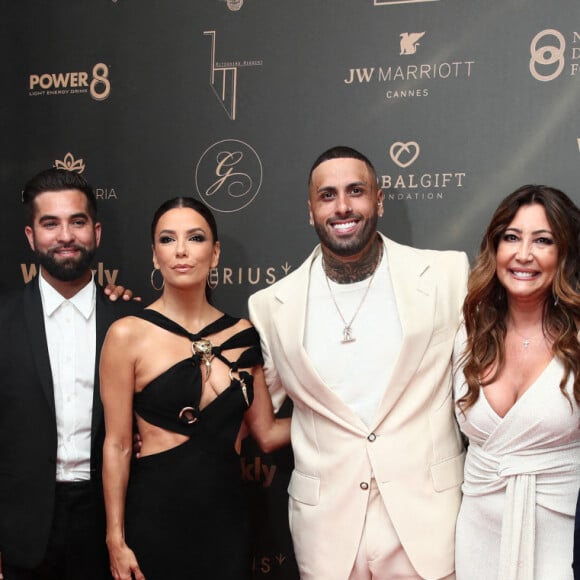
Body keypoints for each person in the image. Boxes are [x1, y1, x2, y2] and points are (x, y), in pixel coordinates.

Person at [248, 146, 469, 579]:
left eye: (356, 191)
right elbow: (255, 416)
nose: (343, 206)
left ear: (379, 200)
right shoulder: (271, 306)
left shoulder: (445, 276)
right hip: (327, 531)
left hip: (427, 523)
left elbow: (479, 386)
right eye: (327, 195)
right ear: (310, 210)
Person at [100, 196, 291, 580]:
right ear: (154, 255)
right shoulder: (126, 335)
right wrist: (115, 540)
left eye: (196, 238)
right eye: (168, 240)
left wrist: (339, 418)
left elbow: (266, 434)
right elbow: (118, 445)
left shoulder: (242, 335)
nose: (182, 251)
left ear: (215, 252)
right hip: (153, 520)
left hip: (226, 521)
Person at [0, 168, 139, 580]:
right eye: (50, 224)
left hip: (112, 527)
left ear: (96, 232)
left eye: (77, 222)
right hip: (21, 531)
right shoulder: (2, 321)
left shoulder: (131, 321)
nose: (65, 236)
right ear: (30, 237)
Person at [454, 185, 580, 579]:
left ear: (564, 254)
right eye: (511, 237)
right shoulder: (465, 334)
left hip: (562, 529)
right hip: (477, 529)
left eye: (543, 240)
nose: (523, 254)